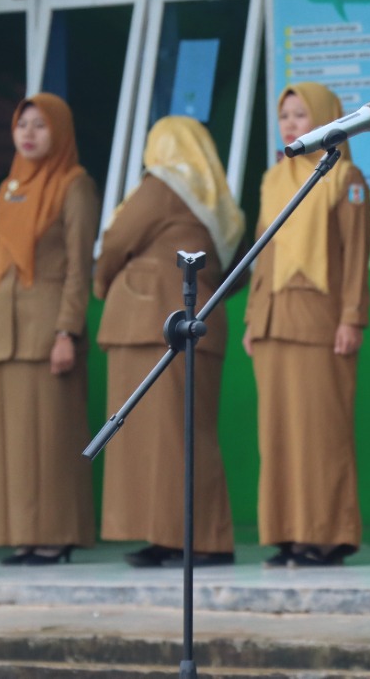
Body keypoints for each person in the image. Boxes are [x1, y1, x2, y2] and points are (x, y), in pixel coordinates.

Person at [95, 115, 243, 568]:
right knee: (182, 434)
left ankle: (188, 538)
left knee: (163, 437)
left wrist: (102, 282)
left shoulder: (162, 184)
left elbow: (118, 238)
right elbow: (236, 267)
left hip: (155, 325)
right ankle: (176, 536)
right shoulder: (215, 199)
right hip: (195, 322)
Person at [243, 83, 370, 568]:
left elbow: (356, 255)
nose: (292, 124)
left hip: (322, 322)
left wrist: (351, 318)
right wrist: (254, 319)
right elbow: (263, 254)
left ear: (326, 120)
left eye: (302, 115)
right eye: (285, 116)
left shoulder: (346, 177)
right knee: (277, 435)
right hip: (274, 322)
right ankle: (288, 535)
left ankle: (327, 534)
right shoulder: (274, 179)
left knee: (321, 434)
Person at [0, 93, 98, 566]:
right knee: (11, 443)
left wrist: (68, 330)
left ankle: (56, 535)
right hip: (6, 331)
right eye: (21, 124)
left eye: (40, 125)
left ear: (60, 131)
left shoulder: (74, 185)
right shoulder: (8, 188)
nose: (27, 133)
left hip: (48, 331)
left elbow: (77, 266)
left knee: (50, 438)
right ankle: (22, 534)